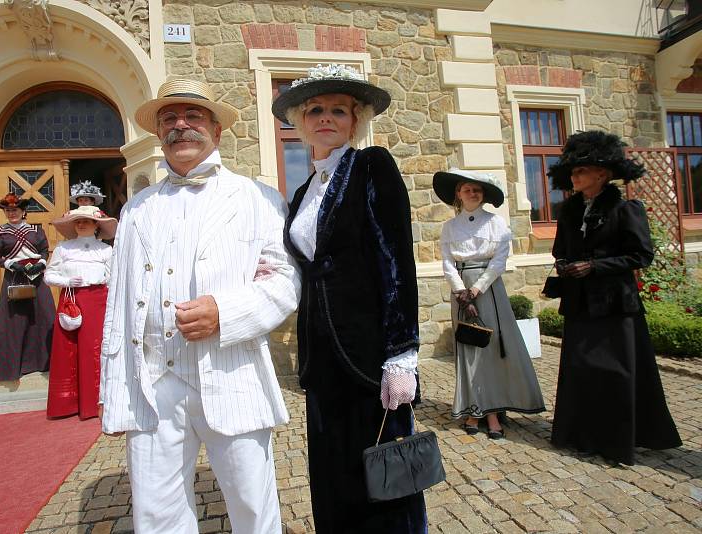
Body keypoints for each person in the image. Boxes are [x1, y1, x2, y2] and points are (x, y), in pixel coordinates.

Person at [99, 78, 300, 534]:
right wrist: (116, 392)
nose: (180, 126)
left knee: (252, 505)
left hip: (230, 372)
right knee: (156, 512)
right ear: (158, 133)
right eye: (169, 118)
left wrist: (224, 312)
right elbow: (118, 303)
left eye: (192, 116)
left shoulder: (259, 199)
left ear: (217, 129)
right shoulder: (136, 209)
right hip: (153, 381)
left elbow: (285, 283)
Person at [272, 63, 427, 533]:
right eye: (315, 109)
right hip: (321, 355)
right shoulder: (303, 192)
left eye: (337, 110)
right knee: (332, 468)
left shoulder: (371, 166)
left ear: (354, 121)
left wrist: (402, 355)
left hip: (369, 351)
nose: (325, 117)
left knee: (383, 469)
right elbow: (307, 264)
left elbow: (396, 260)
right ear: (301, 122)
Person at [547, 130, 682, 465]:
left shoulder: (626, 209)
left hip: (615, 303)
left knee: (614, 372)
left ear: (602, 174)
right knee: (582, 372)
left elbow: (640, 256)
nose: (575, 176)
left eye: (581, 171)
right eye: (573, 172)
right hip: (580, 304)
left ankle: (617, 441)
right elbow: (559, 250)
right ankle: (583, 436)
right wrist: (565, 265)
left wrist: (594, 266)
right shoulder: (568, 211)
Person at [433, 169, 545, 439]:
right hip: (460, 291)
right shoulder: (449, 228)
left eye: (477, 190)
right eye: (467, 189)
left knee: (491, 348)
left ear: (483, 196)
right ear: (458, 194)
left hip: (488, 290)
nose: (473, 193)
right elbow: (448, 262)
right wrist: (461, 292)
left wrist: (476, 289)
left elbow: (499, 260)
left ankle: (493, 411)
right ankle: (474, 410)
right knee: (469, 348)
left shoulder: (496, 224)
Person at [45, 206, 116, 419]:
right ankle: (67, 404)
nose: (81, 224)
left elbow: (114, 277)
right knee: (68, 350)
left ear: (96, 225)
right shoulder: (63, 248)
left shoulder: (105, 250)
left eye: (86, 221)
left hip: (97, 301)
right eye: (78, 221)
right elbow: (49, 275)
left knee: (93, 349)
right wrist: (65, 281)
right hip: (71, 300)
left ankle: (95, 402)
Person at [0, 193, 54, 381]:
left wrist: (41, 262)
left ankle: (44, 363)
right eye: (8, 210)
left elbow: (43, 250)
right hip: (14, 277)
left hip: (36, 277)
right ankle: (12, 367)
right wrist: (9, 264)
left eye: (15, 210)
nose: (11, 213)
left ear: (23, 211)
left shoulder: (36, 230)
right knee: (14, 322)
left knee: (44, 316)